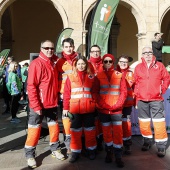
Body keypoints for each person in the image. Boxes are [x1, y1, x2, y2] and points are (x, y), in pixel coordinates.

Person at [24, 40, 64, 169]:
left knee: (54, 128)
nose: (49, 50)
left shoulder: (53, 62)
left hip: (52, 103)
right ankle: (30, 155)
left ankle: (55, 149)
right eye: (46, 48)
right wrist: (36, 106)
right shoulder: (36, 64)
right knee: (34, 129)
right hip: (39, 105)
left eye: (52, 48)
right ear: (41, 48)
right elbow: (31, 86)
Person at [134, 46, 170, 157]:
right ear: (142, 55)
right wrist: (137, 98)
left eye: (150, 53)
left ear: (153, 54)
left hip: (156, 99)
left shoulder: (160, 66)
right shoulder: (138, 67)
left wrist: (161, 90)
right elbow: (136, 83)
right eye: (145, 53)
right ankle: (147, 142)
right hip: (142, 99)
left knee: (159, 123)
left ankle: (161, 146)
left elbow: (167, 78)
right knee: (144, 123)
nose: (148, 55)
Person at [93, 54, 127, 168]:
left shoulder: (119, 75)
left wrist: (118, 105)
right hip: (103, 110)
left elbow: (123, 92)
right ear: (102, 62)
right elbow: (95, 92)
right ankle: (109, 152)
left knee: (118, 133)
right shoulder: (98, 75)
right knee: (106, 132)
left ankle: (118, 156)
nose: (108, 63)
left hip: (116, 110)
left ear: (113, 63)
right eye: (105, 61)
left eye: (110, 61)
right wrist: (103, 105)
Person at [63, 56, 97, 163]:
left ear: (86, 65)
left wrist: (95, 104)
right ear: (75, 65)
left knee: (90, 131)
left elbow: (95, 92)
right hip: (75, 110)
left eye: (83, 64)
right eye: (79, 64)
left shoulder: (91, 77)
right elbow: (66, 94)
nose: (81, 66)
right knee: (75, 131)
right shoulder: (70, 77)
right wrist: (65, 108)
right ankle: (75, 152)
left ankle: (91, 150)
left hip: (89, 109)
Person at [57, 38, 78, 156]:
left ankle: (77, 142)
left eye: (70, 46)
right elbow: (56, 79)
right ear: (63, 48)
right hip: (64, 96)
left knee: (76, 120)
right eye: (66, 46)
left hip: (77, 95)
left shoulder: (79, 60)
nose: (68, 49)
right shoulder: (60, 62)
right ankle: (68, 143)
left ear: (73, 47)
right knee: (66, 120)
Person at [117, 55, 135, 154]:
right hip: (117, 105)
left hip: (127, 104)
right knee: (117, 125)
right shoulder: (115, 73)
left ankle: (127, 144)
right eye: (121, 61)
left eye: (125, 62)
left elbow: (135, 88)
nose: (123, 63)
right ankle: (118, 144)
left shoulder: (131, 74)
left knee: (126, 124)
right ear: (118, 62)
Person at [88, 45, 104, 151]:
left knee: (102, 121)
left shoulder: (105, 64)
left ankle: (100, 141)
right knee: (92, 121)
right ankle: (92, 142)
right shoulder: (86, 64)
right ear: (90, 53)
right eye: (93, 51)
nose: (95, 53)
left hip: (103, 97)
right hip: (90, 97)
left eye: (97, 51)